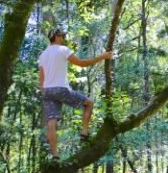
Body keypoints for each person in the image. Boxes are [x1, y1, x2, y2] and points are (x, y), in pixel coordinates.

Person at [38, 28, 112, 159]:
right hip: (61, 89)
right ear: (56, 37)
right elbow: (82, 64)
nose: (64, 38)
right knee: (89, 103)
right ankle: (84, 133)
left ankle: (55, 156)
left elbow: (41, 78)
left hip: (48, 91)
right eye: (62, 36)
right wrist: (103, 56)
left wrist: (45, 92)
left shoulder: (43, 55)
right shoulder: (63, 50)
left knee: (51, 123)